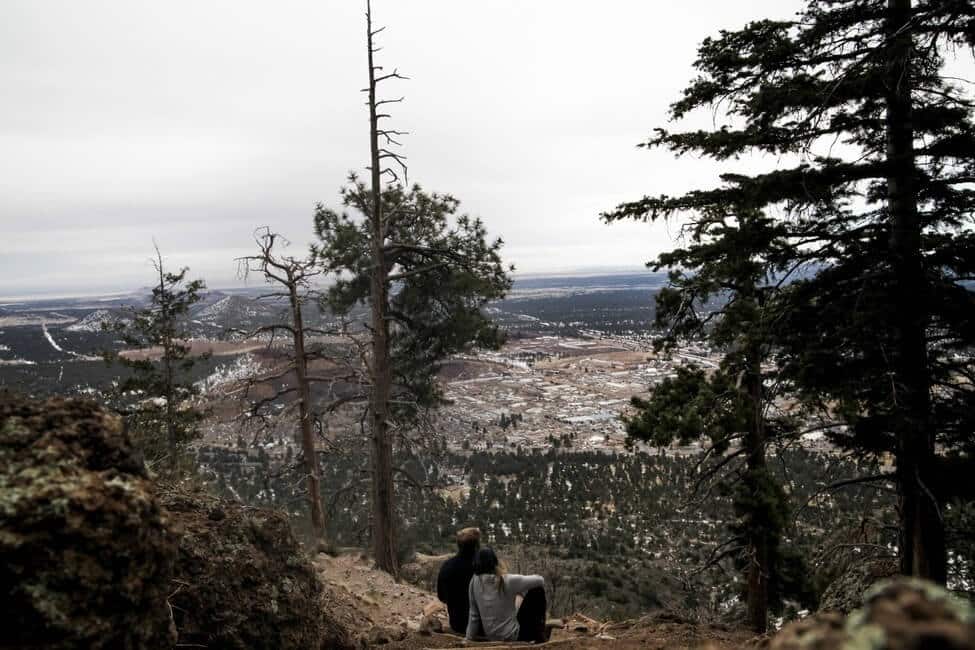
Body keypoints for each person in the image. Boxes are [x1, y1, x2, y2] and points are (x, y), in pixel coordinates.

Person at [466, 547, 548, 643]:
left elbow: (474, 615)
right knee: (537, 590)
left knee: (520, 593)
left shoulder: (474, 581)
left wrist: (469, 638)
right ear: (495, 562)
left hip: (492, 637)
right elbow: (540, 580)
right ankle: (539, 636)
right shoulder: (507, 580)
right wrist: (521, 586)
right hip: (515, 636)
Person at [437, 527, 481, 634]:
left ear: (458, 545)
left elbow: (442, 597)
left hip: (458, 625)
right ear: (477, 546)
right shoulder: (485, 566)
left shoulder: (447, 566)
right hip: (483, 627)